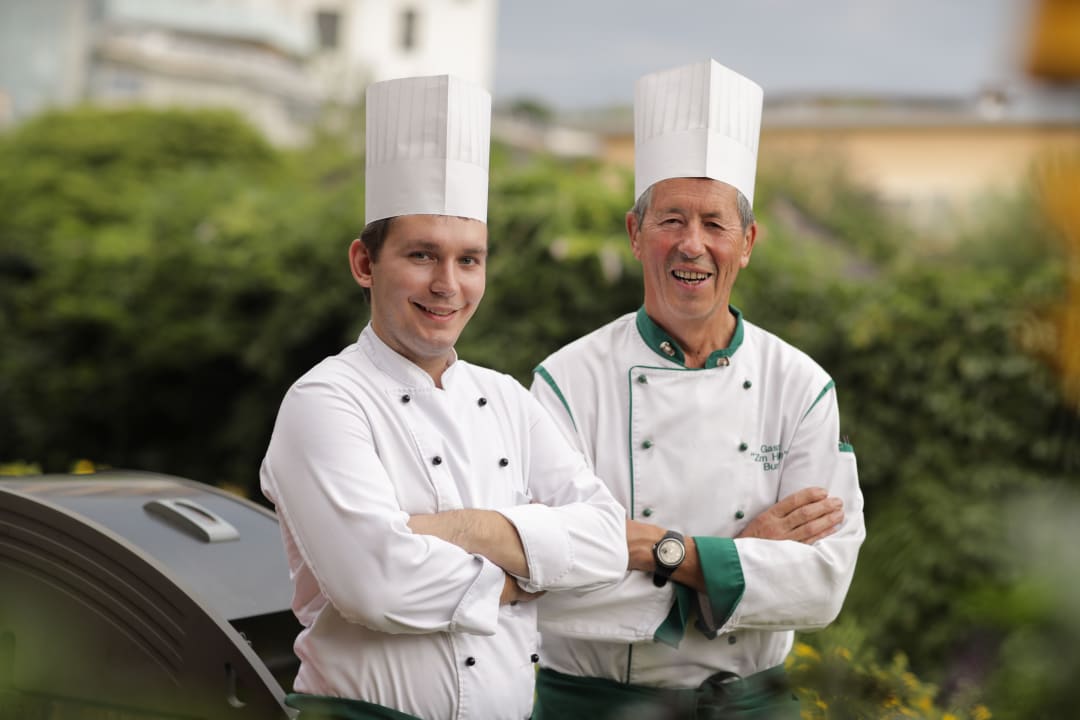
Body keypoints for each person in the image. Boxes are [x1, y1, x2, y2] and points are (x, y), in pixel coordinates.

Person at [260, 74, 628, 720]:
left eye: (469, 260)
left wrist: (468, 530)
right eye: (423, 255)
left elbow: (607, 541)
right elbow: (377, 586)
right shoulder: (324, 402)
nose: (448, 285)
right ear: (364, 263)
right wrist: (532, 574)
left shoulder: (507, 398)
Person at [529, 59, 867, 719]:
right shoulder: (565, 383)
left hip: (751, 708)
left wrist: (666, 552)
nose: (692, 245)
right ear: (635, 234)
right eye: (671, 220)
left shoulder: (800, 386)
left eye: (714, 224)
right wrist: (742, 563)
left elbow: (823, 586)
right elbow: (549, 581)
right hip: (599, 707)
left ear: (748, 242)